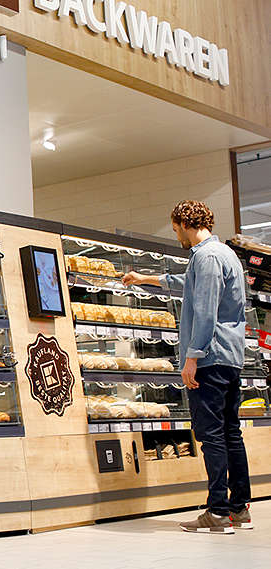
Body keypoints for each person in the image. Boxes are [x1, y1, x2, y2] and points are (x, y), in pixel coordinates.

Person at [123, 200, 252, 534]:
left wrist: (191, 358)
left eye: (176, 228)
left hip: (209, 357)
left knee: (211, 436)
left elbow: (206, 311)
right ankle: (239, 508)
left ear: (184, 223)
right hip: (230, 356)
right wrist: (144, 278)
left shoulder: (207, 257)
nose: (176, 234)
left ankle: (218, 512)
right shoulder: (223, 254)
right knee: (230, 433)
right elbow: (186, 284)